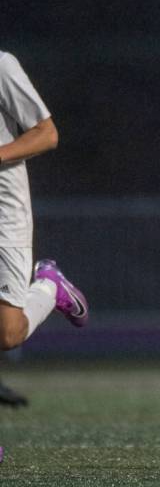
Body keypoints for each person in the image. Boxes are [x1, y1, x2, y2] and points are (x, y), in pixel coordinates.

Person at [0, 50, 90, 458]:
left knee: (8, 333)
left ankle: (49, 287)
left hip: (5, 213)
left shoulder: (1, 65)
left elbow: (46, 133)